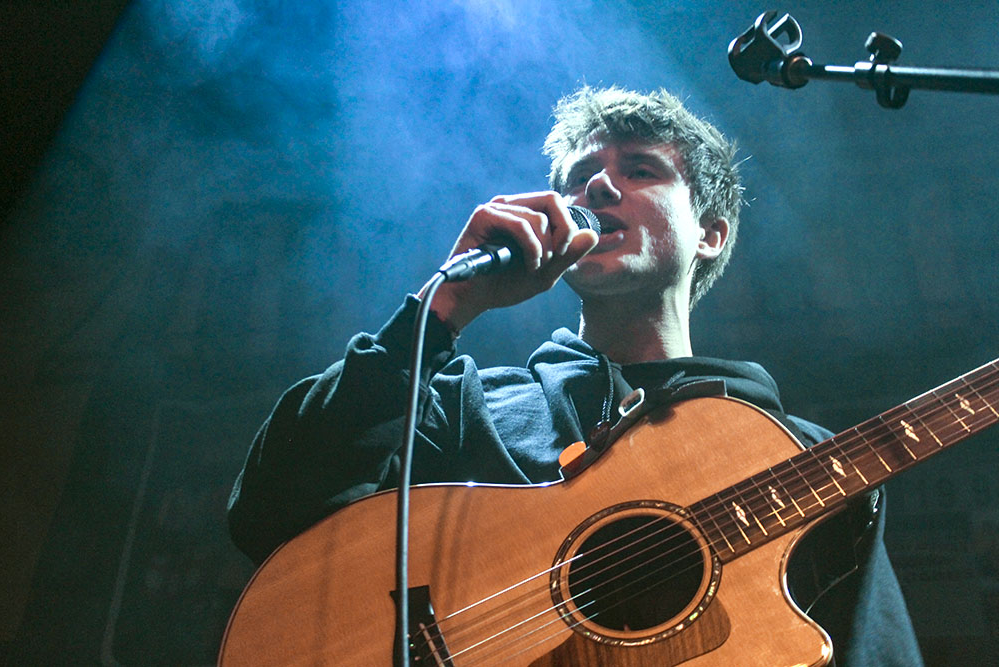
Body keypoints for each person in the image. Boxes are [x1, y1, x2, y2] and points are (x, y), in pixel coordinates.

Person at [227, 86, 923, 665]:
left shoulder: (803, 457)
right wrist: (439, 314)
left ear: (709, 232)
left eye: (641, 169)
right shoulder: (470, 403)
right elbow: (264, 509)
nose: (596, 184)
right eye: (578, 178)